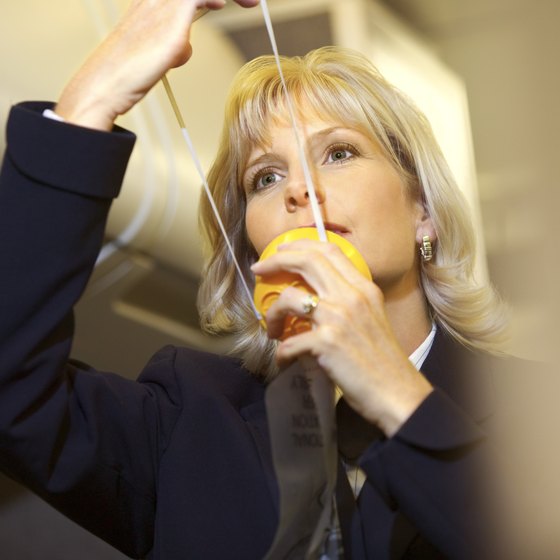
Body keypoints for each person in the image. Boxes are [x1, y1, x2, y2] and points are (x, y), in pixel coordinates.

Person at [0, 0, 509, 558]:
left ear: (423, 212)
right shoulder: (188, 421)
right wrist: (96, 92)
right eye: (265, 177)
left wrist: (392, 390)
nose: (298, 191)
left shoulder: (531, 415)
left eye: (339, 153)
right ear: (250, 251)